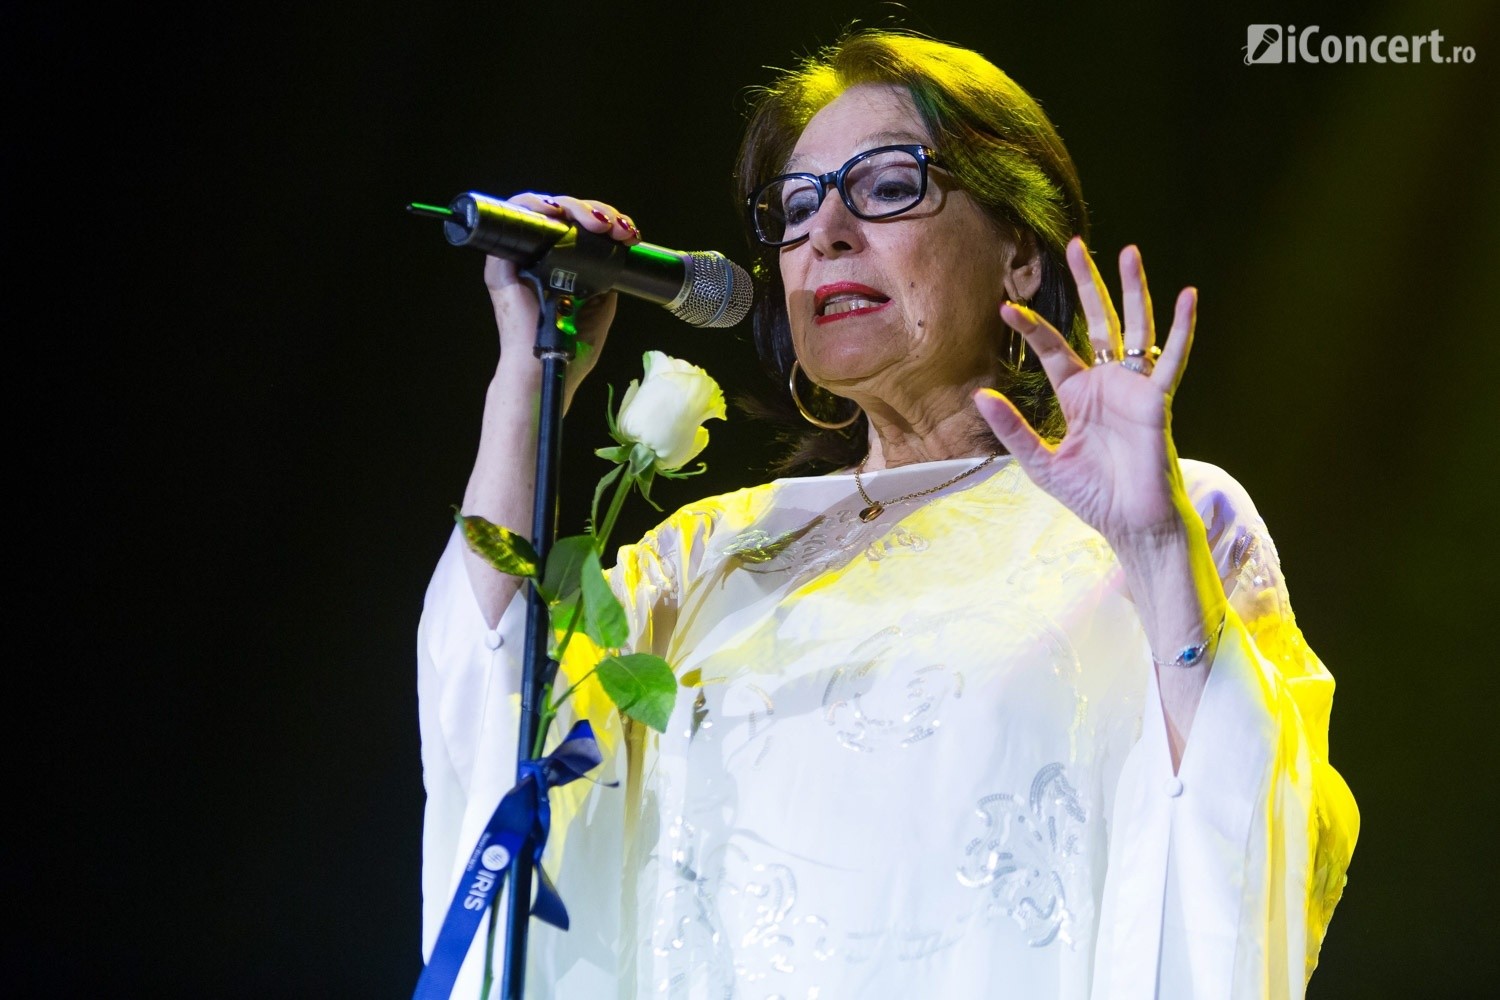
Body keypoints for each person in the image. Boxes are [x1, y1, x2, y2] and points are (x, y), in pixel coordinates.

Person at [417, 28, 1358, 999]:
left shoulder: (1158, 523)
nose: (824, 232)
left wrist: (1159, 550)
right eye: (794, 206)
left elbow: (1255, 833)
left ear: (1019, 252)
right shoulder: (707, 558)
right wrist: (529, 374)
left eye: (885, 186)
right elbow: (488, 720)